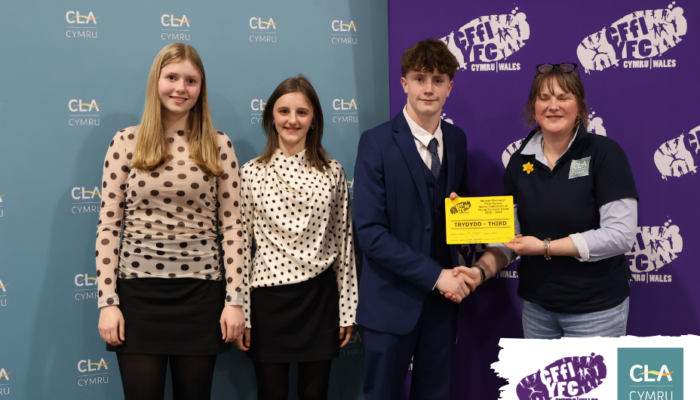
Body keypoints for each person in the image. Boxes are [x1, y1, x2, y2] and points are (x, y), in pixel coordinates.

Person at [95, 43, 246, 399]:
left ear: (201, 88)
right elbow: (108, 227)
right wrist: (107, 302)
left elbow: (232, 227)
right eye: (172, 77)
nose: (181, 88)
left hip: (201, 295)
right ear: (156, 81)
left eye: (191, 80)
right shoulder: (125, 142)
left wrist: (235, 300)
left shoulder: (219, 145)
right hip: (137, 297)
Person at [462, 62, 638, 339]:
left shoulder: (605, 154)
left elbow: (620, 235)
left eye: (563, 97)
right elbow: (509, 238)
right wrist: (479, 272)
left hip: (596, 312)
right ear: (533, 107)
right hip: (537, 310)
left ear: (579, 106)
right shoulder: (519, 162)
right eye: (544, 98)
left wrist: (545, 247)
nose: (553, 106)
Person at [353, 39, 480, 400]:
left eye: (438, 80)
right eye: (420, 79)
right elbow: (370, 233)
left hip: (443, 305)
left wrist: (471, 217)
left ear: (450, 87)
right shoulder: (375, 142)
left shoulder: (456, 139)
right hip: (390, 303)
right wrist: (436, 275)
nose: (428, 89)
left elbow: (456, 210)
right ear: (404, 83)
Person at [236, 75, 358, 400]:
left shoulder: (333, 172)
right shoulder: (250, 173)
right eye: (284, 111)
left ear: (313, 119)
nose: (292, 120)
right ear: (271, 118)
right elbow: (240, 250)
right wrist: (242, 311)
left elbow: (344, 244)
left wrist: (347, 310)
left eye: (302, 112)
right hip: (267, 302)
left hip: (319, 300)